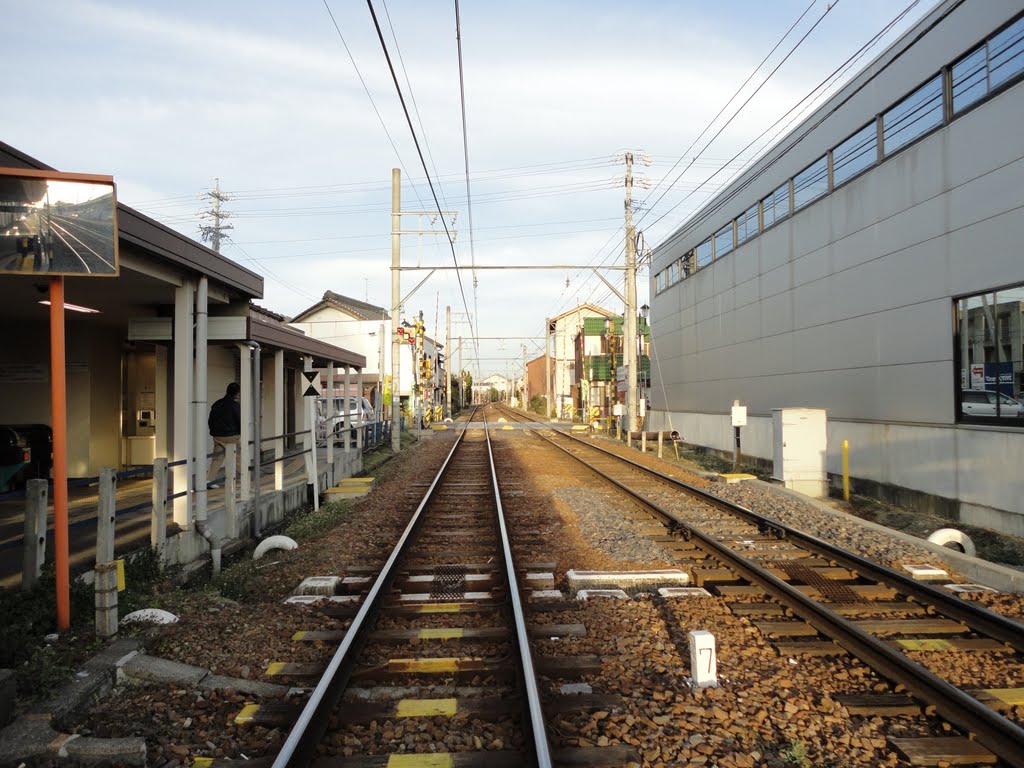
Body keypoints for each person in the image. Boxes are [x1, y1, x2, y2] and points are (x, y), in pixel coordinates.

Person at [207, 382, 241, 488]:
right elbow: (239, 420)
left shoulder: (217, 404)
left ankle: (209, 480)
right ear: (236, 394)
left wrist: (213, 431)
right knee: (238, 456)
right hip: (231, 436)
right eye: (239, 393)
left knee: (217, 458)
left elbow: (210, 420)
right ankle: (245, 478)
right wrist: (240, 432)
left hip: (217, 436)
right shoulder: (235, 406)